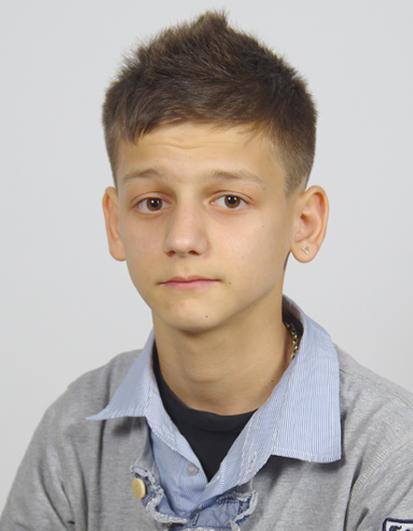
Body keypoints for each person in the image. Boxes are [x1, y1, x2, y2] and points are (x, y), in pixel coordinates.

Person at [1, 9, 413, 531]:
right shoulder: (73, 433)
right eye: (153, 202)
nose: (182, 238)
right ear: (114, 222)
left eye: (230, 200)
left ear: (304, 223)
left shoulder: (392, 453)